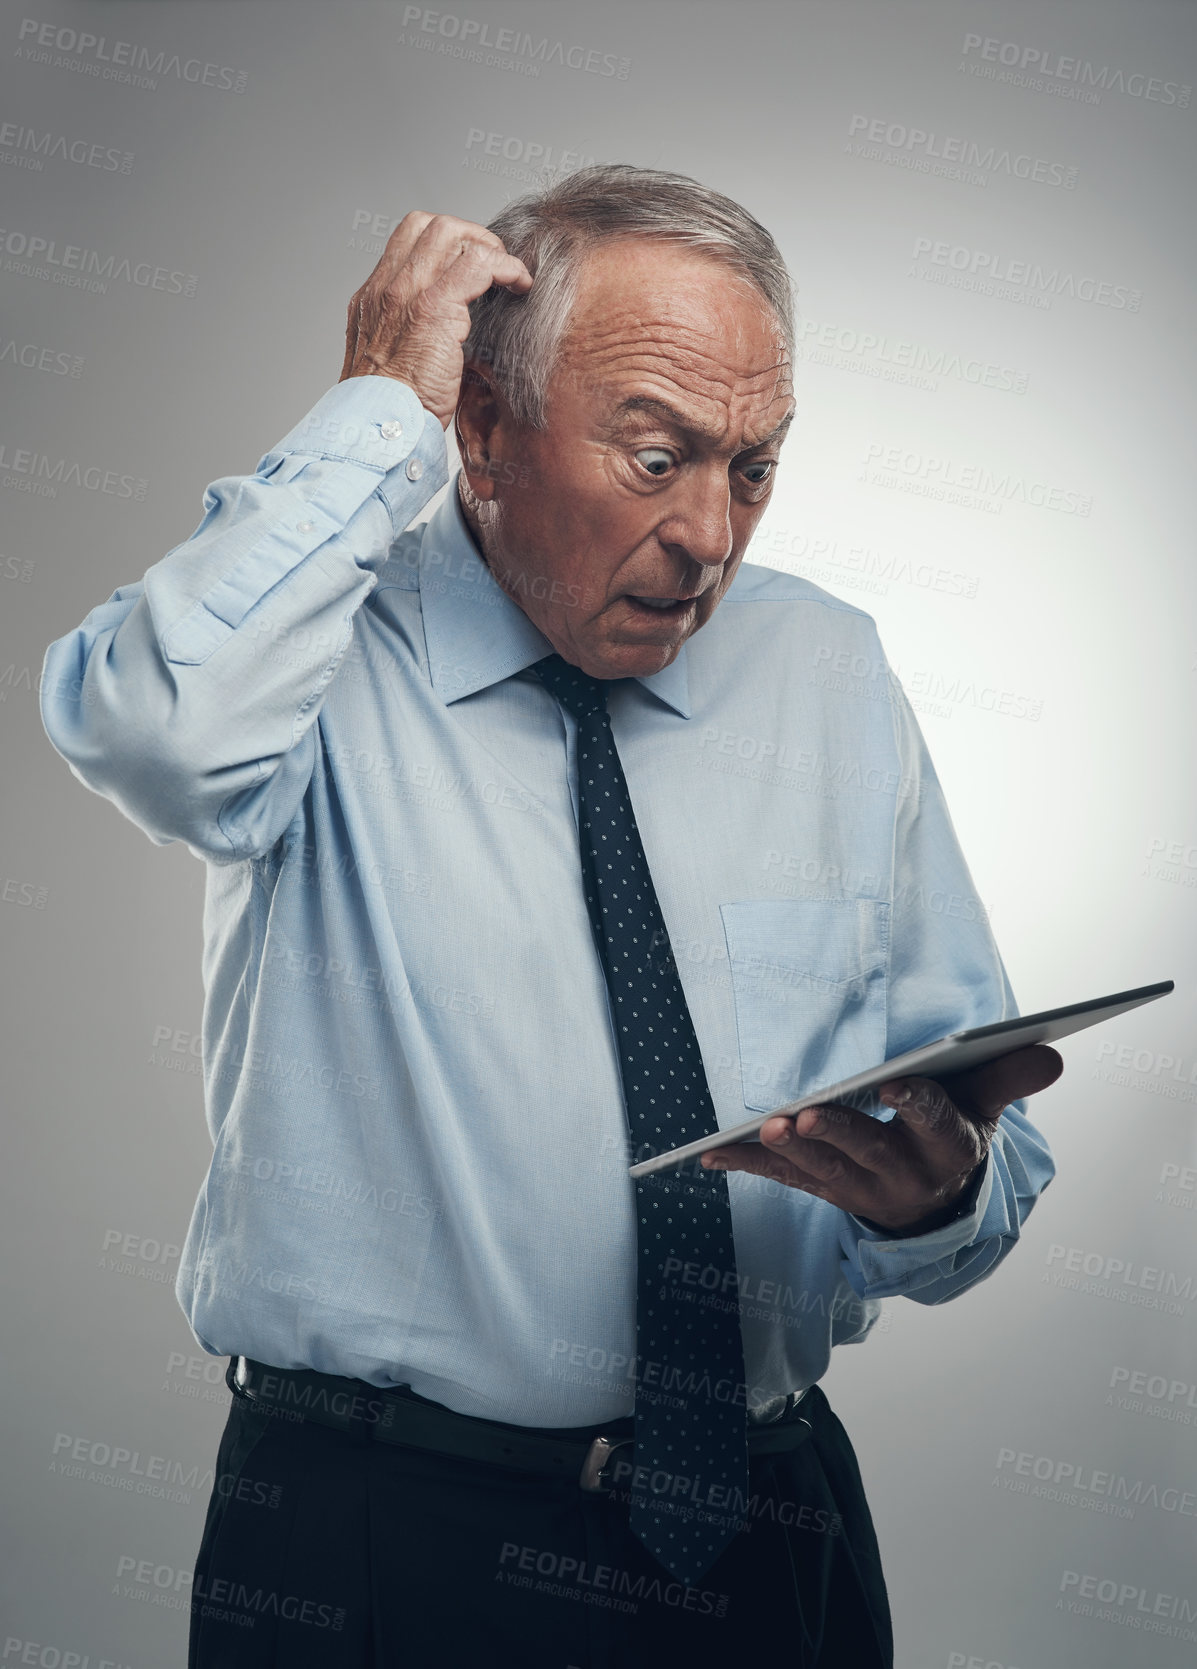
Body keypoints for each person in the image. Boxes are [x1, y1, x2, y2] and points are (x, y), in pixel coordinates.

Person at [40, 165, 1060, 1668]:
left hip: (769, 1537)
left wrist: (934, 1198)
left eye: (754, 467)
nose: (709, 534)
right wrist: (377, 401)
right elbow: (148, 729)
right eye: (655, 459)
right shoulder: (318, 642)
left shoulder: (828, 673)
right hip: (387, 1538)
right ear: (483, 430)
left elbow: (986, 1133)